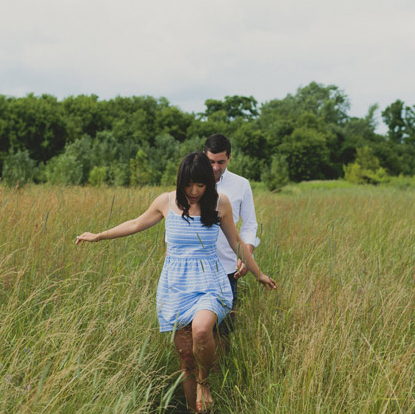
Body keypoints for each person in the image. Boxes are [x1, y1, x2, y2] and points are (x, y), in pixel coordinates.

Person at [76, 151, 277, 413]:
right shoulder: (166, 201)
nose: (194, 191)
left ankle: (205, 385)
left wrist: (258, 272)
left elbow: (236, 242)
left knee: (202, 330)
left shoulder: (220, 203)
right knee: (185, 358)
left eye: (201, 185)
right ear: (180, 181)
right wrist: (99, 236)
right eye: (189, 184)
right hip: (176, 285)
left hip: (209, 281)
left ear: (210, 183)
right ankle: (197, 408)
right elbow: (136, 223)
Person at [203, 134, 259, 337]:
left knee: (224, 330)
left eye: (221, 162)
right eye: (210, 162)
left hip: (228, 269)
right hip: (196, 268)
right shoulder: (192, 183)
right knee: (195, 331)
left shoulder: (241, 184)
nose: (216, 167)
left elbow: (250, 224)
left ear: (229, 158)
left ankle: (221, 368)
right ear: (203, 156)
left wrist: (245, 256)